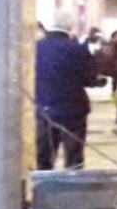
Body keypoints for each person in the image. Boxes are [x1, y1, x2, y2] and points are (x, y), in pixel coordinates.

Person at [34, 10, 98, 170]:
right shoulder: (78, 50)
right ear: (70, 26)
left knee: (45, 155)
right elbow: (89, 79)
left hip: (44, 107)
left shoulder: (36, 48)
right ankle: (72, 190)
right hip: (73, 109)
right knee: (74, 157)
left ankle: (44, 189)